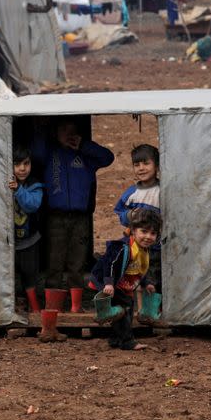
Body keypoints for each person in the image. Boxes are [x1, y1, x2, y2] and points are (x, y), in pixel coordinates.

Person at [34, 118, 114, 311]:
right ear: (55, 132)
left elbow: (108, 157)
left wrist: (84, 146)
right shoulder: (49, 154)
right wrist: (43, 129)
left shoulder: (85, 155)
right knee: (55, 260)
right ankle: (53, 306)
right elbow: (35, 153)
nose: (68, 133)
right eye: (63, 129)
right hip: (55, 216)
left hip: (80, 217)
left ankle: (75, 308)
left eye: (72, 130)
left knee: (77, 262)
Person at [89, 209, 162, 351]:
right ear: (133, 230)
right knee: (124, 308)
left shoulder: (143, 250)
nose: (148, 237)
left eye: (153, 233)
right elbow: (109, 264)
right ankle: (127, 341)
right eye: (144, 231)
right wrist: (109, 283)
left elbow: (139, 269)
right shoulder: (122, 247)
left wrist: (146, 283)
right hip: (109, 280)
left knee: (126, 309)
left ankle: (116, 339)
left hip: (124, 284)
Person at [113, 144, 162, 292]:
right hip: (136, 245)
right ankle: (138, 307)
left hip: (157, 245)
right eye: (137, 164)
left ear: (157, 166)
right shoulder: (132, 193)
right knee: (136, 275)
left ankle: (155, 307)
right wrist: (130, 216)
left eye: (146, 163)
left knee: (155, 274)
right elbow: (119, 211)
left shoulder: (163, 191)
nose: (141, 168)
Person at [9, 146, 44, 312]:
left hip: (30, 240)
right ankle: (16, 304)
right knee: (10, 274)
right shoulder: (3, 183)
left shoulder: (35, 185)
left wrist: (18, 190)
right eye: (17, 164)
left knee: (30, 275)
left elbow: (32, 205)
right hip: (9, 241)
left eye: (26, 163)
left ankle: (35, 308)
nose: (22, 169)